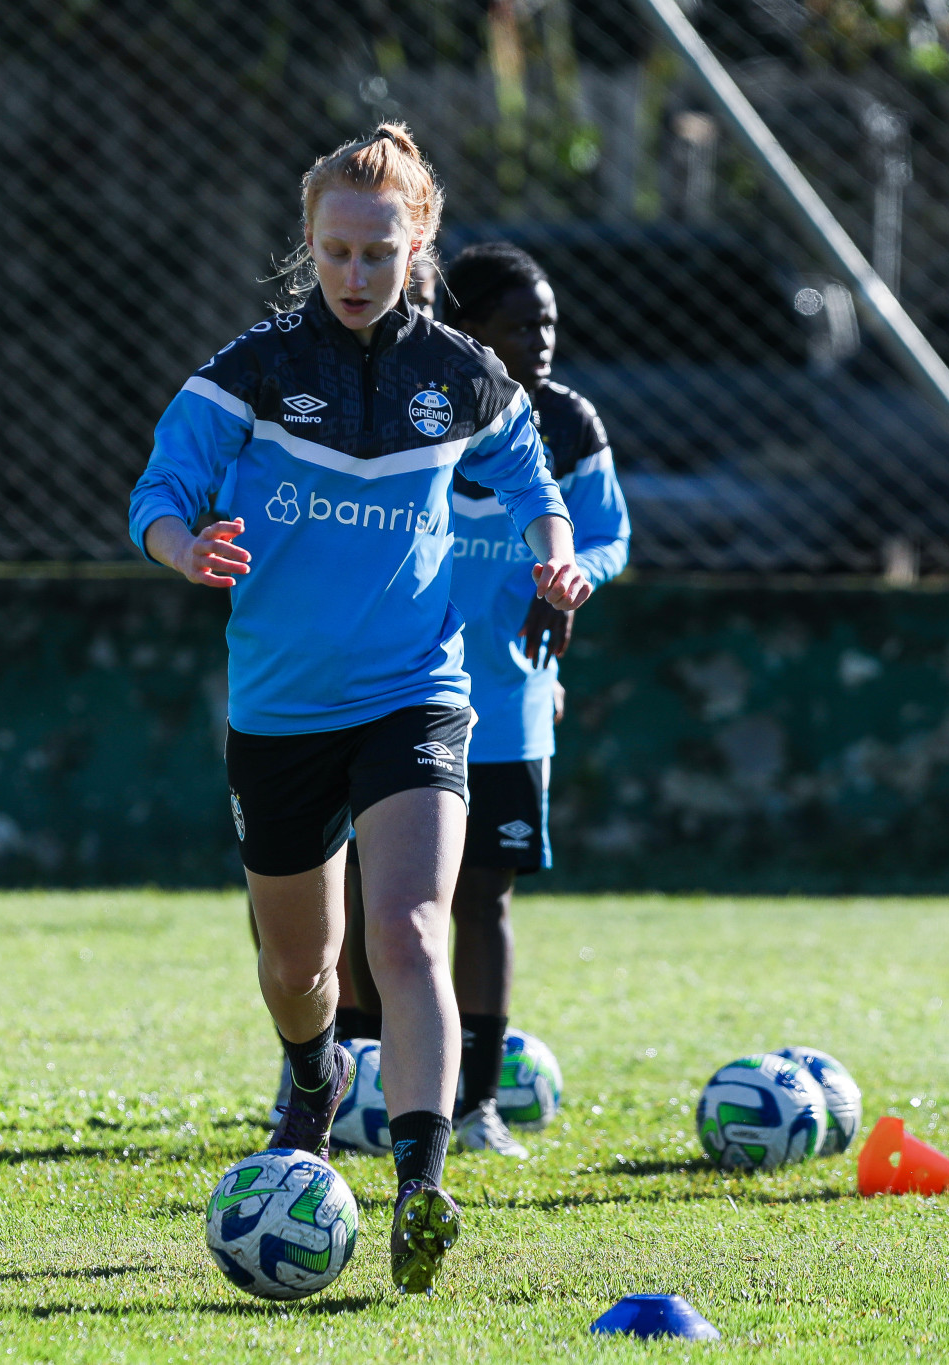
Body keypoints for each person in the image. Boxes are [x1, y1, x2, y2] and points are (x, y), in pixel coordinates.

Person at [128, 124, 593, 1294]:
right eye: (334, 251)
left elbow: (535, 485)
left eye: (377, 252)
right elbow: (161, 486)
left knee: (410, 931)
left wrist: (555, 561)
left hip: (416, 694)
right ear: (308, 244)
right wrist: (184, 548)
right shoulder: (249, 373)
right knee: (304, 971)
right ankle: (311, 1072)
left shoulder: (461, 376)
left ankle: (422, 1183)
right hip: (281, 709)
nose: (352, 274)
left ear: (416, 245)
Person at [325, 241, 632, 1160]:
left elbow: (608, 536)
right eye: (517, 322)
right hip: (398, 693)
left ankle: (478, 1103)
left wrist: (567, 574)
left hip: (509, 706)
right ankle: (352, 1079)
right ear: (467, 330)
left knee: (483, 898)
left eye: (547, 321)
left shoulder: (569, 427)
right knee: (364, 890)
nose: (539, 339)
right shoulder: (418, 408)